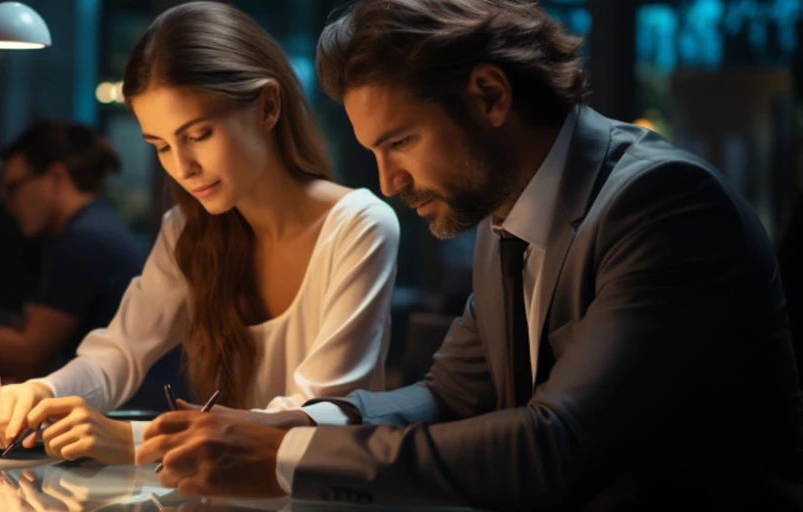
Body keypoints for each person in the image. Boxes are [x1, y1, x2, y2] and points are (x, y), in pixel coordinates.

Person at [134, 0, 803, 509]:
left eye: (399, 141)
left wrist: (287, 453)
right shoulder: (503, 216)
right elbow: (449, 396)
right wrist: (294, 419)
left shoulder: (661, 203)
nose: (388, 182)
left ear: (489, 95)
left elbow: (556, 444)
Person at [0, 1, 400, 466]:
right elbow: (117, 355)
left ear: (268, 107)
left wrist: (134, 441)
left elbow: (317, 412)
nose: (182, 168)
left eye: (198, 135)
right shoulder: (187, 231)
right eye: (160, 146)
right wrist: (41, 391)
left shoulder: (359, 225)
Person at [0, 121, 147, 384]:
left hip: (130, 407)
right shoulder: (92, 224)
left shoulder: (86, 238)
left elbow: (29, 350)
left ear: (56, 177)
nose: (9, 203)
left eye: (14, 187)